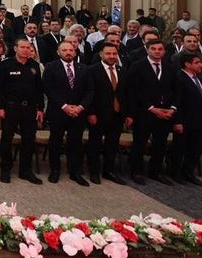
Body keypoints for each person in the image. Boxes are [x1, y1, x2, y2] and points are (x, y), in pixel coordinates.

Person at [124, 40, 177, 184]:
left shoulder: (169, 67)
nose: (157, 51)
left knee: (160, 144)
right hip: (144, 112)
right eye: (153, 49)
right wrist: (152, 108)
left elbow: (175, 89)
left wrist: (172, 108)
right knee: (140, 144)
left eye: (160, 49)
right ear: (147, 50)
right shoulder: (137, 66)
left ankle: (156, 172)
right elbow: (133, 91)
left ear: (164, 51)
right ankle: (136, 171)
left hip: (165, 112)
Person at [0, 39, 43, 184]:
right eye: (22, 47)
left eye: (28, 47)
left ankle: (25, 170)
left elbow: (39, 89)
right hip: (10, 108)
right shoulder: (5, 65)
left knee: (29, 140)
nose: (26, 50)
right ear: (15, 48)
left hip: (30, 109)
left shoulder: (34, 65)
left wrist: (40, 108)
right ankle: (6, 169)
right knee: (7, 140)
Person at [44, 40, 89, 186]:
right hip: (58, 112)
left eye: (71, 50)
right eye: (64, 50)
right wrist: (64, 107)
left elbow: (90, 91)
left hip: (78, 113)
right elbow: (48, 89)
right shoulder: (51, 67)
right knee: (55, 142)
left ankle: (75, 172)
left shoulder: (83, 68)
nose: (68, 53)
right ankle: (55, 170)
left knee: (75, 143)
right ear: (58, 52)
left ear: (75, 52)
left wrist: (80, 107)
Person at [83, 43, 126, 184]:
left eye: (114, 54)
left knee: (112, 144)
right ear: (101, 54)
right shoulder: (92, 70)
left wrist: (127, 114)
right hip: (98, 114)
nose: (112, 56)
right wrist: (90, 113)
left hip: (117, 114)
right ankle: (94, 172)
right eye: (108, 53)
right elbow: (88, 93)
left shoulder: (122, 70)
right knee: (95, 144)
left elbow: (126, 93)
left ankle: (109, 171)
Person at [168, 51, 202, 186]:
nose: (201, 65)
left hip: (200, 120)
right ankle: (175, 172)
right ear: (187, 64)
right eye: (197, 63)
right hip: (185, 120)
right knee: (180, 148)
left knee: (195, 148)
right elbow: (177, 102)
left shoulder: (200, 79)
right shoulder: (179, 78)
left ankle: (188, 172)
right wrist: (177, 121)